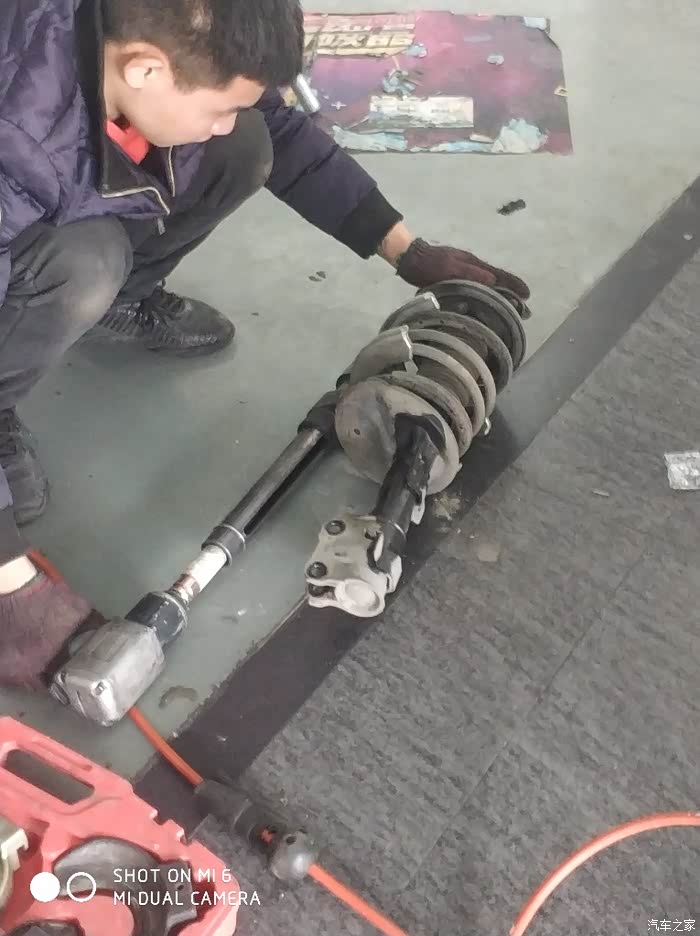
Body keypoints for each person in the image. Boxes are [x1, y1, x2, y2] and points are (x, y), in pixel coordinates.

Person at [0, 0, 529, 688]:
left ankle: (119, 301)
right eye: (216, 105)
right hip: (29, 195)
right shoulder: (17, 139)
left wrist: (407, 249)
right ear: (145, 70)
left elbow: (274, 124)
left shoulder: (150, 43)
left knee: (244, 144)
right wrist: (10, 586)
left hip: (62, 161)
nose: (226, 117)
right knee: (87, 262)